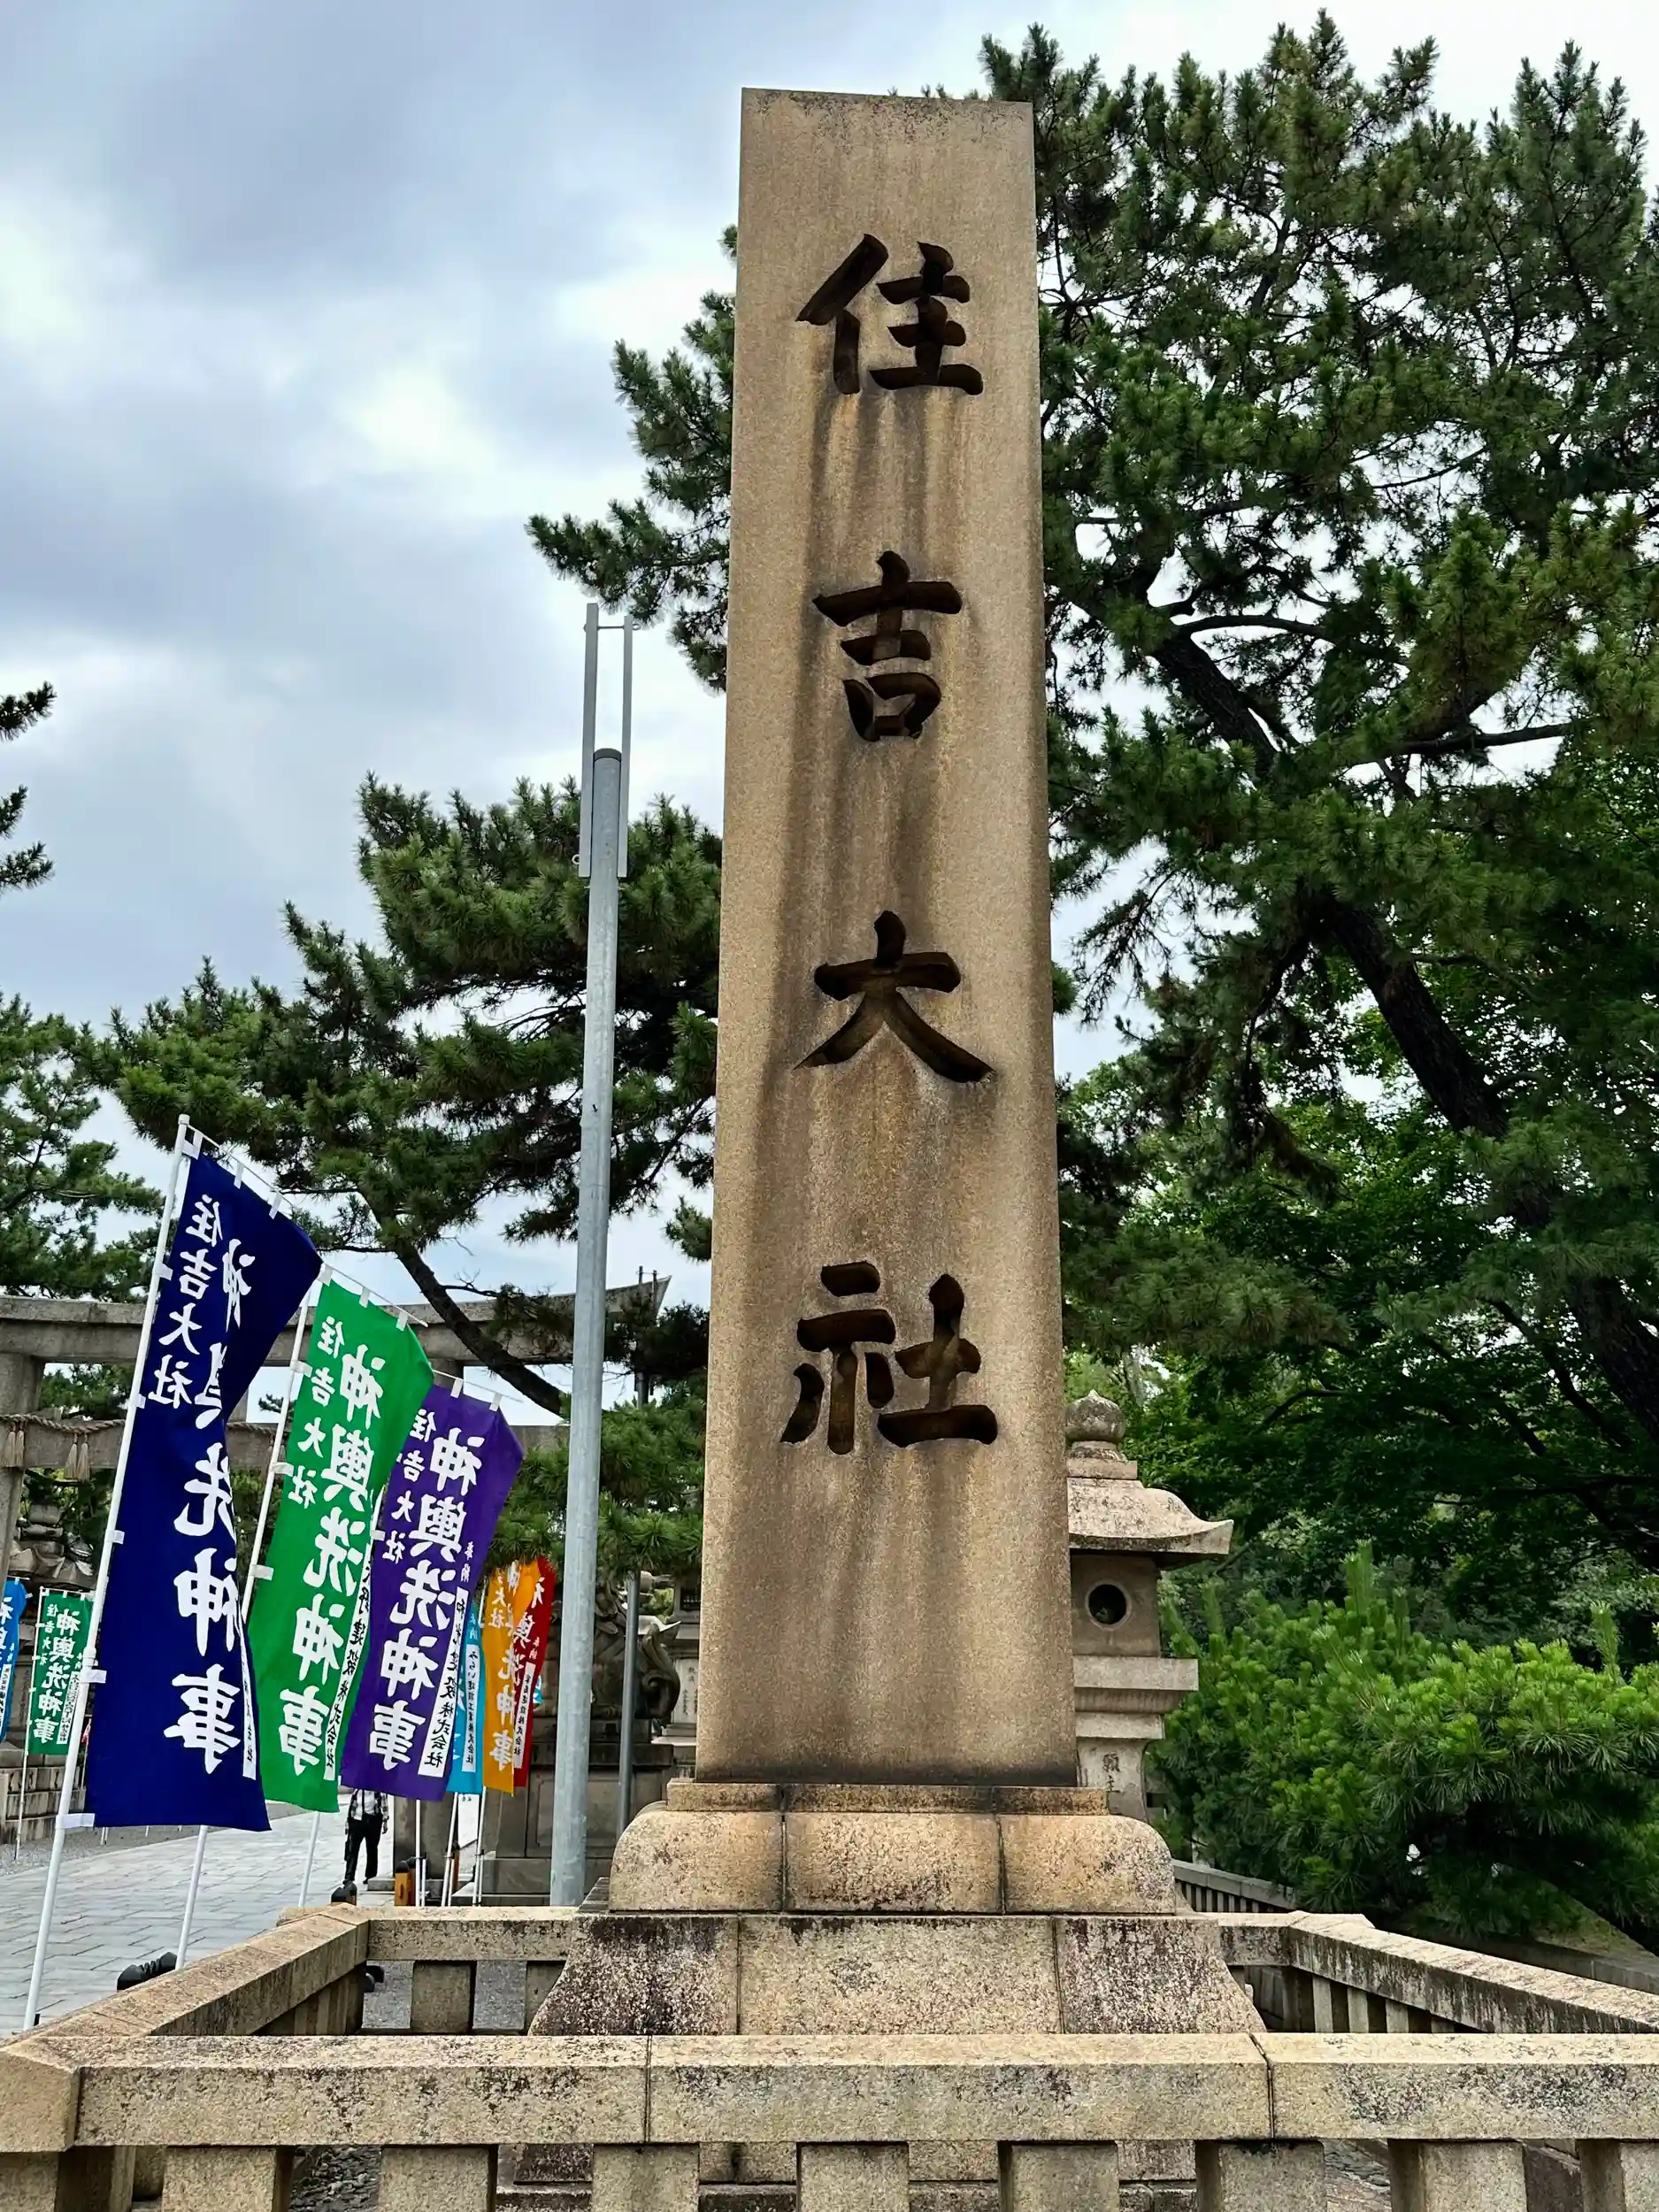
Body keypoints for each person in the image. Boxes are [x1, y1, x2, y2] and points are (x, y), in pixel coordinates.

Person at [343, 1788, 388, 1885]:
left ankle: (370, 1876)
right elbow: (351, 1808)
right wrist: (348, 1825)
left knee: (372, 1849)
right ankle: (349, 1877)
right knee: (352, 1850)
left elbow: (384, 1805)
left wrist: (385, 1821)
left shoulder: (378, 1791)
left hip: (372, 1822)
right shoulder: (357, 1791)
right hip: (357, 1822)